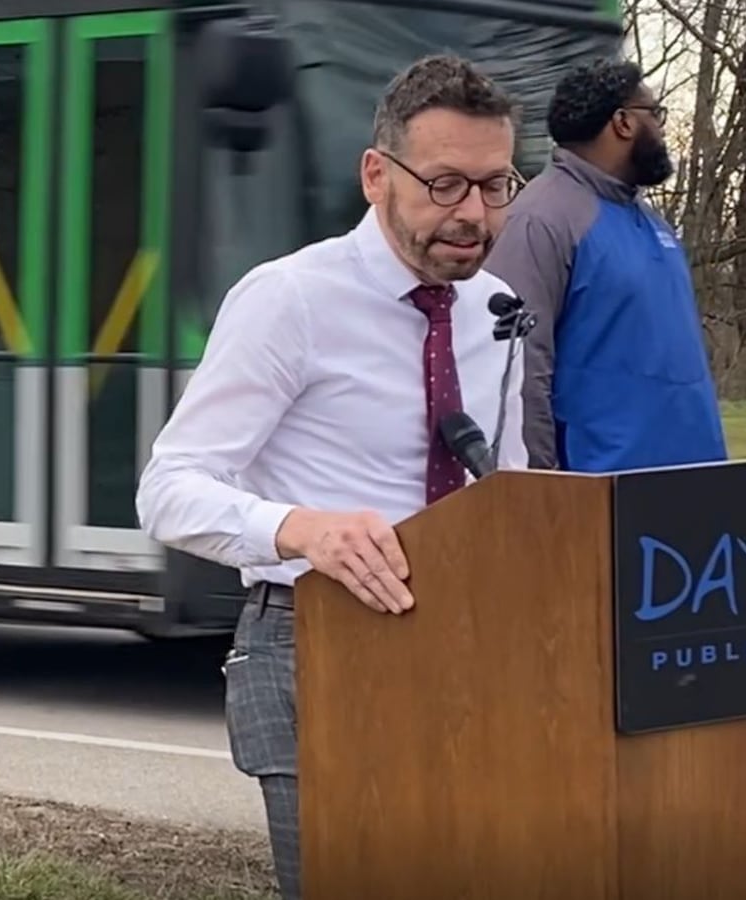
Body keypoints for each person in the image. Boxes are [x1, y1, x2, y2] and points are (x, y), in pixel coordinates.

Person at [135, 55, 529, 899]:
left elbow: (510, 489)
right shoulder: (289, 300)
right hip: (313, 644)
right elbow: (168, 488)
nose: (475, 214)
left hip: (466, 648)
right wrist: (303, 529)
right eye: (448, 184)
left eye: (497, 187)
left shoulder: (497, 311)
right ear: (375, 175)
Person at [481, 57, 727, 473]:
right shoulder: (541, 219)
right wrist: (541, 492)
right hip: (601, 494)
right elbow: (519, 368)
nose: (662, 128)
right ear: (623, 122)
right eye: (656, 114)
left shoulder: (653, 223)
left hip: (693, 485)